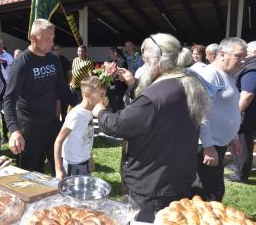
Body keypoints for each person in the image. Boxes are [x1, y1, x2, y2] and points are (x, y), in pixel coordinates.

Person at [92, 33, 209, 223]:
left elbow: (120, 124)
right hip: (177, 176)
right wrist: (133, 83)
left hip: (153, 185)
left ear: (157, 61)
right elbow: (158, 110)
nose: (143, 66)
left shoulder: (155, 97)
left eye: (145, 61)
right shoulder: (188, 82)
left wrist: (100, 112)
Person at [3, 19, 76, 174]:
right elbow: (9, 100)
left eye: (53, 38)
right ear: (33, 37)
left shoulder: (53, 58)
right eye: (47, 39)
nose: (52, 43)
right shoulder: (21, 63)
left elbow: (62, 88)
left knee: (60, 167)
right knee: (32, 174)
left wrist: (82, 105)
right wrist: (14, 130)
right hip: (29, 126)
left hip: (52, 122)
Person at [191, 37, 245, 201]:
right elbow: (201, 113)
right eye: (238, 56)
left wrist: (234, 137)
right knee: (206, 193)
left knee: (214, 190)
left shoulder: (227, 76)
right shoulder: (210, 75)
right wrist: (208, 146)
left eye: (244, 57)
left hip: (217, 144)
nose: (242, 61)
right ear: (222, 54)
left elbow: (227, 109)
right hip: (207, 146)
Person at [54, 76, 105, 180]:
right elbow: (58, 141)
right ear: (87, 95)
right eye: (100, 94)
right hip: (73, 164)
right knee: (72, 195)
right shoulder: (76, 115)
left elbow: (88, 137)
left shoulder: (90, 112)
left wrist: (89, 157)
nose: (102, 98)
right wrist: (58, 169)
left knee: (83, 193)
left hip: (84, 161)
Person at [228, 41, 256, 183]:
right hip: (247, 113)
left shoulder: (252, 68)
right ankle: (239, 166)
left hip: (245, 113)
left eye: (247, 51)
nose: (244, 54)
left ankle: (241, 175)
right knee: (242, 140)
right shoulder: (250, 66)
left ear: (254, 52)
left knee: (243, 141)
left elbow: (248, 94)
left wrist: (235, 112)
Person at [106, 46, 128, 112]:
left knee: (118, 108)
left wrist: (111, 76)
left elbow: (119, 76)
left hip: (118, 89)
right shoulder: (114, 62)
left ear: (115, 53)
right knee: (113, 107)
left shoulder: (122, 62)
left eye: (110, 53)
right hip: (112, 88)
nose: (109, 55)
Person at [53, 44, 71, 122]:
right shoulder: (50, 60)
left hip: (63, 88)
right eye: (54, 50)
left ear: (61, 51)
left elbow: (69, 74)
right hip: (53, 88)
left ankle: (64, 122)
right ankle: (55, 124)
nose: (56, 51)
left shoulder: (65, 60)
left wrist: (67, 85)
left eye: (58, 50)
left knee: (64, 108)